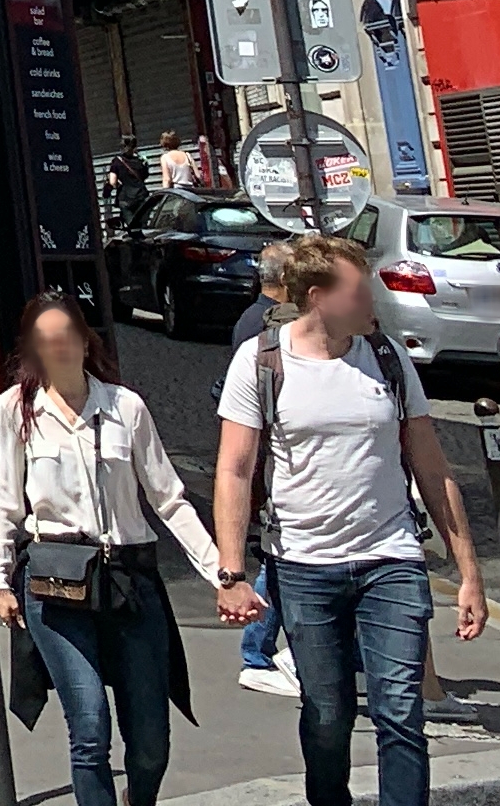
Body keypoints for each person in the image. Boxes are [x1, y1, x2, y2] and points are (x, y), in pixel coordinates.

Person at [214, 233, 486, 806]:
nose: (375, 303)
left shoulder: (386, 357)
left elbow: (432, 468)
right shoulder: (261, 361)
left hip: (391, 558)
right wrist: (232, 571)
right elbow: (235, 471)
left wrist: (469, 573)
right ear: (318, 297)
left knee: (400, 712)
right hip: (306, 567)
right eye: (362, 294)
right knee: (328, 715)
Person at [0, 290, 229, 806]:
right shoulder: (16, 409)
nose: (59, 349)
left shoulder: (125, 407)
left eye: (67, 337)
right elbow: (6, 501)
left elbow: (170, 500)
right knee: (90, 728)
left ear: (84, 339)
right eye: (46, 341)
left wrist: (221, 574)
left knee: (150, 743)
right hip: (57, 582)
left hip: (129, 581)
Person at [223, 292, 294, 697]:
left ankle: (262, 654)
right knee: (277, 568)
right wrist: (229, 573)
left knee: (276, 568)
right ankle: (261, 655)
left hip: (274, 480)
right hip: (279, 484)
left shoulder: (256, 321)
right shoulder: (263, 340)